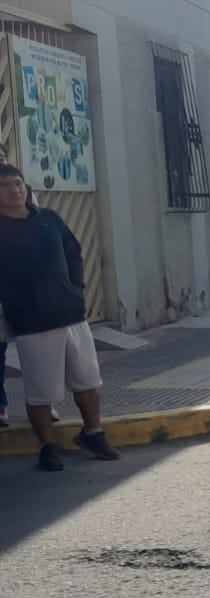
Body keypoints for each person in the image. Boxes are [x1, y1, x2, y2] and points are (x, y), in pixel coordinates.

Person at [0, 162, 118, 470]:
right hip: (32, 323)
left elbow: (73, 252)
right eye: (5, 186)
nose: (14, 190)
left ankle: (93, 432)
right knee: (41, 393)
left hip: (71, 314)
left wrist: (76, 289)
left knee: (87, 381)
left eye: (17, 183)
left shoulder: (49, 218)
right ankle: (47, 445)